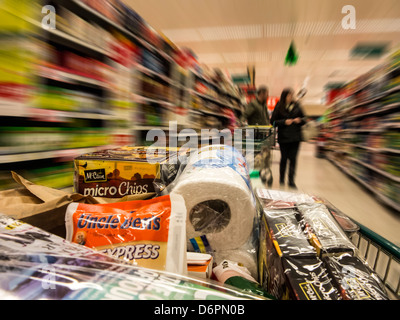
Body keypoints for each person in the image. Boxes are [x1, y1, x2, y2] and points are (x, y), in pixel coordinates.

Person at [270, 88, 306, 189]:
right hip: (284, 137)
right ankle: (282, 179)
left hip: (296, 137)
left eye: (292, 95)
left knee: (293, 159)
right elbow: (273, 122)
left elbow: (304, 119)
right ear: (284, 96)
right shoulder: (279, 106)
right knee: (284, 158)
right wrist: (284, 122)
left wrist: (300, 120)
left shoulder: (297, 105)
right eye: (289, 95)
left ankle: (291, 181)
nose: (291, 97)